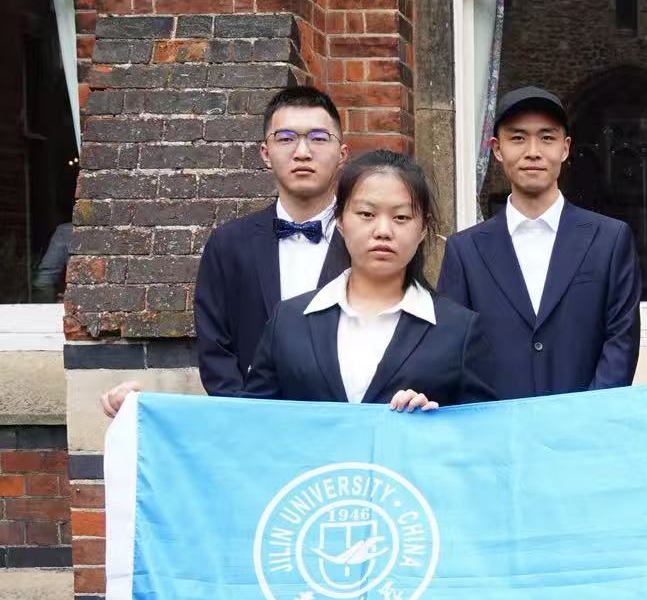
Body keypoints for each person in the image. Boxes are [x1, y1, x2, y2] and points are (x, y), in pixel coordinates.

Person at [100, 150, 491, 415]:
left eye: (402, 217)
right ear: (341, 222)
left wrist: (437, 419)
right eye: (366, 214)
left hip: (411, 509)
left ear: (422, 230)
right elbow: (247, 423)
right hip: (309, 509)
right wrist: (151, 410)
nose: (383, 231)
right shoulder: (289, 320)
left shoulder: (458, 329)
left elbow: (486, 439)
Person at [437, 87, 641, 399]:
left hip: (587, 423)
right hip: (495, 425)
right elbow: (453, 352)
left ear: (565, 147)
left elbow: (621, 343)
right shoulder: (464, 252)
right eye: (518, 138)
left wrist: (588, 417)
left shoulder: (610, 239)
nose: (533, 151)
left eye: (547, 138)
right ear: (497, 149)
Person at [191, 85, 351, 395]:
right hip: (252, 415)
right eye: (286, 138)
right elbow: (215, 349)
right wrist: (246, 414)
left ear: (342, 153)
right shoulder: (228, 244)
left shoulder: (368, 241)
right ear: (266, 153)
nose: (302, 152)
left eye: (318, 138)